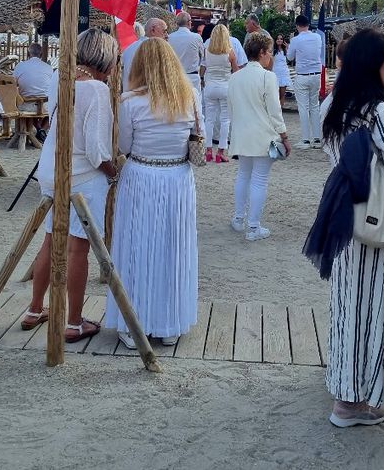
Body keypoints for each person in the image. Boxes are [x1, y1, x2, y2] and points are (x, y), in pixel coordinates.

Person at [318, 28, 384, 428]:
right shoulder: (379, 112)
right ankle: (351, 402)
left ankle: (344, 384)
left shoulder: (334, 105)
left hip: (342, 214)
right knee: (372, 306)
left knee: (347, 304)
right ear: (372, 65)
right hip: (374, 219)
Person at [21, 29, 119, 340]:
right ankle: (74, 321)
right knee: (79, 248)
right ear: (105, 58)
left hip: (51, 168)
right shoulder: (96, 91)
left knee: (51, 239)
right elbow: (96, 149)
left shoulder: (57, 77)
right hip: (81, 175)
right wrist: (113, 170)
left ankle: (35, 307)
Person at [106, 38, 200, 348]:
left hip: (141, 176)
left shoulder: (129, 102)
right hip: (177, 179)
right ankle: (169, 323)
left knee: (136, 247)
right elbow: (198, 141)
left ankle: (135, 322)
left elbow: (124, 147)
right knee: (173, 248)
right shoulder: (190, 99)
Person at [226, 32, 290, 241]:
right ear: (262, 52)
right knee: (259, 180)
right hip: (263, 136)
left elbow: (231, 109)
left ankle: (238, 218)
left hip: (242, 134)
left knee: (244, 175)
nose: (270, 56)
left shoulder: (235, 77)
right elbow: (275, 110)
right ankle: (253, 226)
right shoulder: (267, 77)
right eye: (269, 52)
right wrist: (284, 135)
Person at [201, 23, 238, 163]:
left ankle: (208, 149)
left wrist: (201, 79)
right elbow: (235, 72)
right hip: (225, 87)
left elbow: (203, 67)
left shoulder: (206, 49)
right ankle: (221, 151)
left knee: (209, 119)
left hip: (210, 86)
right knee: (225, 120)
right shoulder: (230, 52)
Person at [287, 14, 324, 150]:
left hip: (302, 75)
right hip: (316, 74)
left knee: (303, 107)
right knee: (315, 106)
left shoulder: (296, 40)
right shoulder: (318, 37)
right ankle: (317, 138)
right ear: (308, 24)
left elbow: (290, 56)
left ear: (297, 26)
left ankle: (305, 139)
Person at [121, 18, 167, 92]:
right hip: (148, 98)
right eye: (164, 31)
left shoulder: (129, 48)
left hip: (128, 97)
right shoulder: (157, 49)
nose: (166, 35)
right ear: (153, 30)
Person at [167, 11, 204, 97]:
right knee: (195, 105)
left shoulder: (170, 37)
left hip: (175, 77)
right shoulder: (196, 37)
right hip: (192, 77)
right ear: (188, 22)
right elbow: (202, 56)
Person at [272, 34, 292, 105]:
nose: (279, 40)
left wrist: (287, 48)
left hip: (283, 72)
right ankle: (276, 110)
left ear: (283, 40)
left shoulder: (285, 50)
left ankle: (281, 109)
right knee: (276, 94)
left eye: (281, 39)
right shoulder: (272, 50)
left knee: (282, 94)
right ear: (275, 40)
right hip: (275, 72)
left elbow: (289, 59)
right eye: (278, 39)